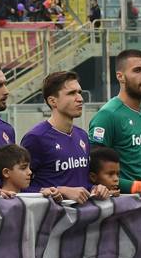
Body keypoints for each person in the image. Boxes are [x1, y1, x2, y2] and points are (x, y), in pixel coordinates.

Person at [21, 71, 108, 201]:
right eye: (72, 93)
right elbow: (21, 187)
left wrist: (95, 189)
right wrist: (60, 190)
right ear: (53, 101)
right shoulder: (36, 138)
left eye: (79, 92)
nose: (80, 98)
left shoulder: (82, 136)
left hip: (82, 216)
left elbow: (81, 182)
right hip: (52, 218)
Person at [88, 49, 141, 194]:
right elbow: (95, 171)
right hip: (126, 203)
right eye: (138, 70)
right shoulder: (107, 116)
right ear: (120, 76)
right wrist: (140, 188)